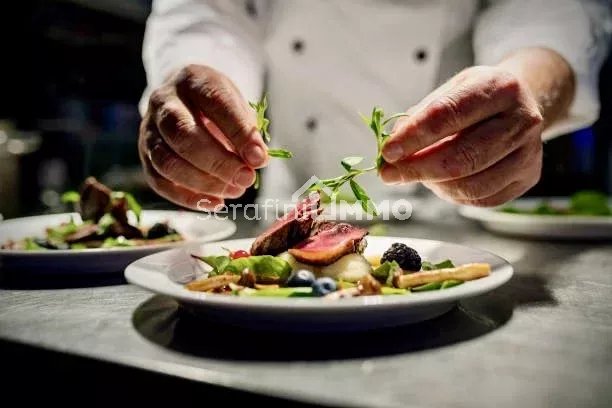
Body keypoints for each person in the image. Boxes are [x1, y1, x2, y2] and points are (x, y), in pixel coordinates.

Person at [138, 0, 611, 212]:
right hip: (286, 204)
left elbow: (552, 12)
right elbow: (205, 12)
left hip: (446, 216)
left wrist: (525, 84)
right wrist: (198, 95)